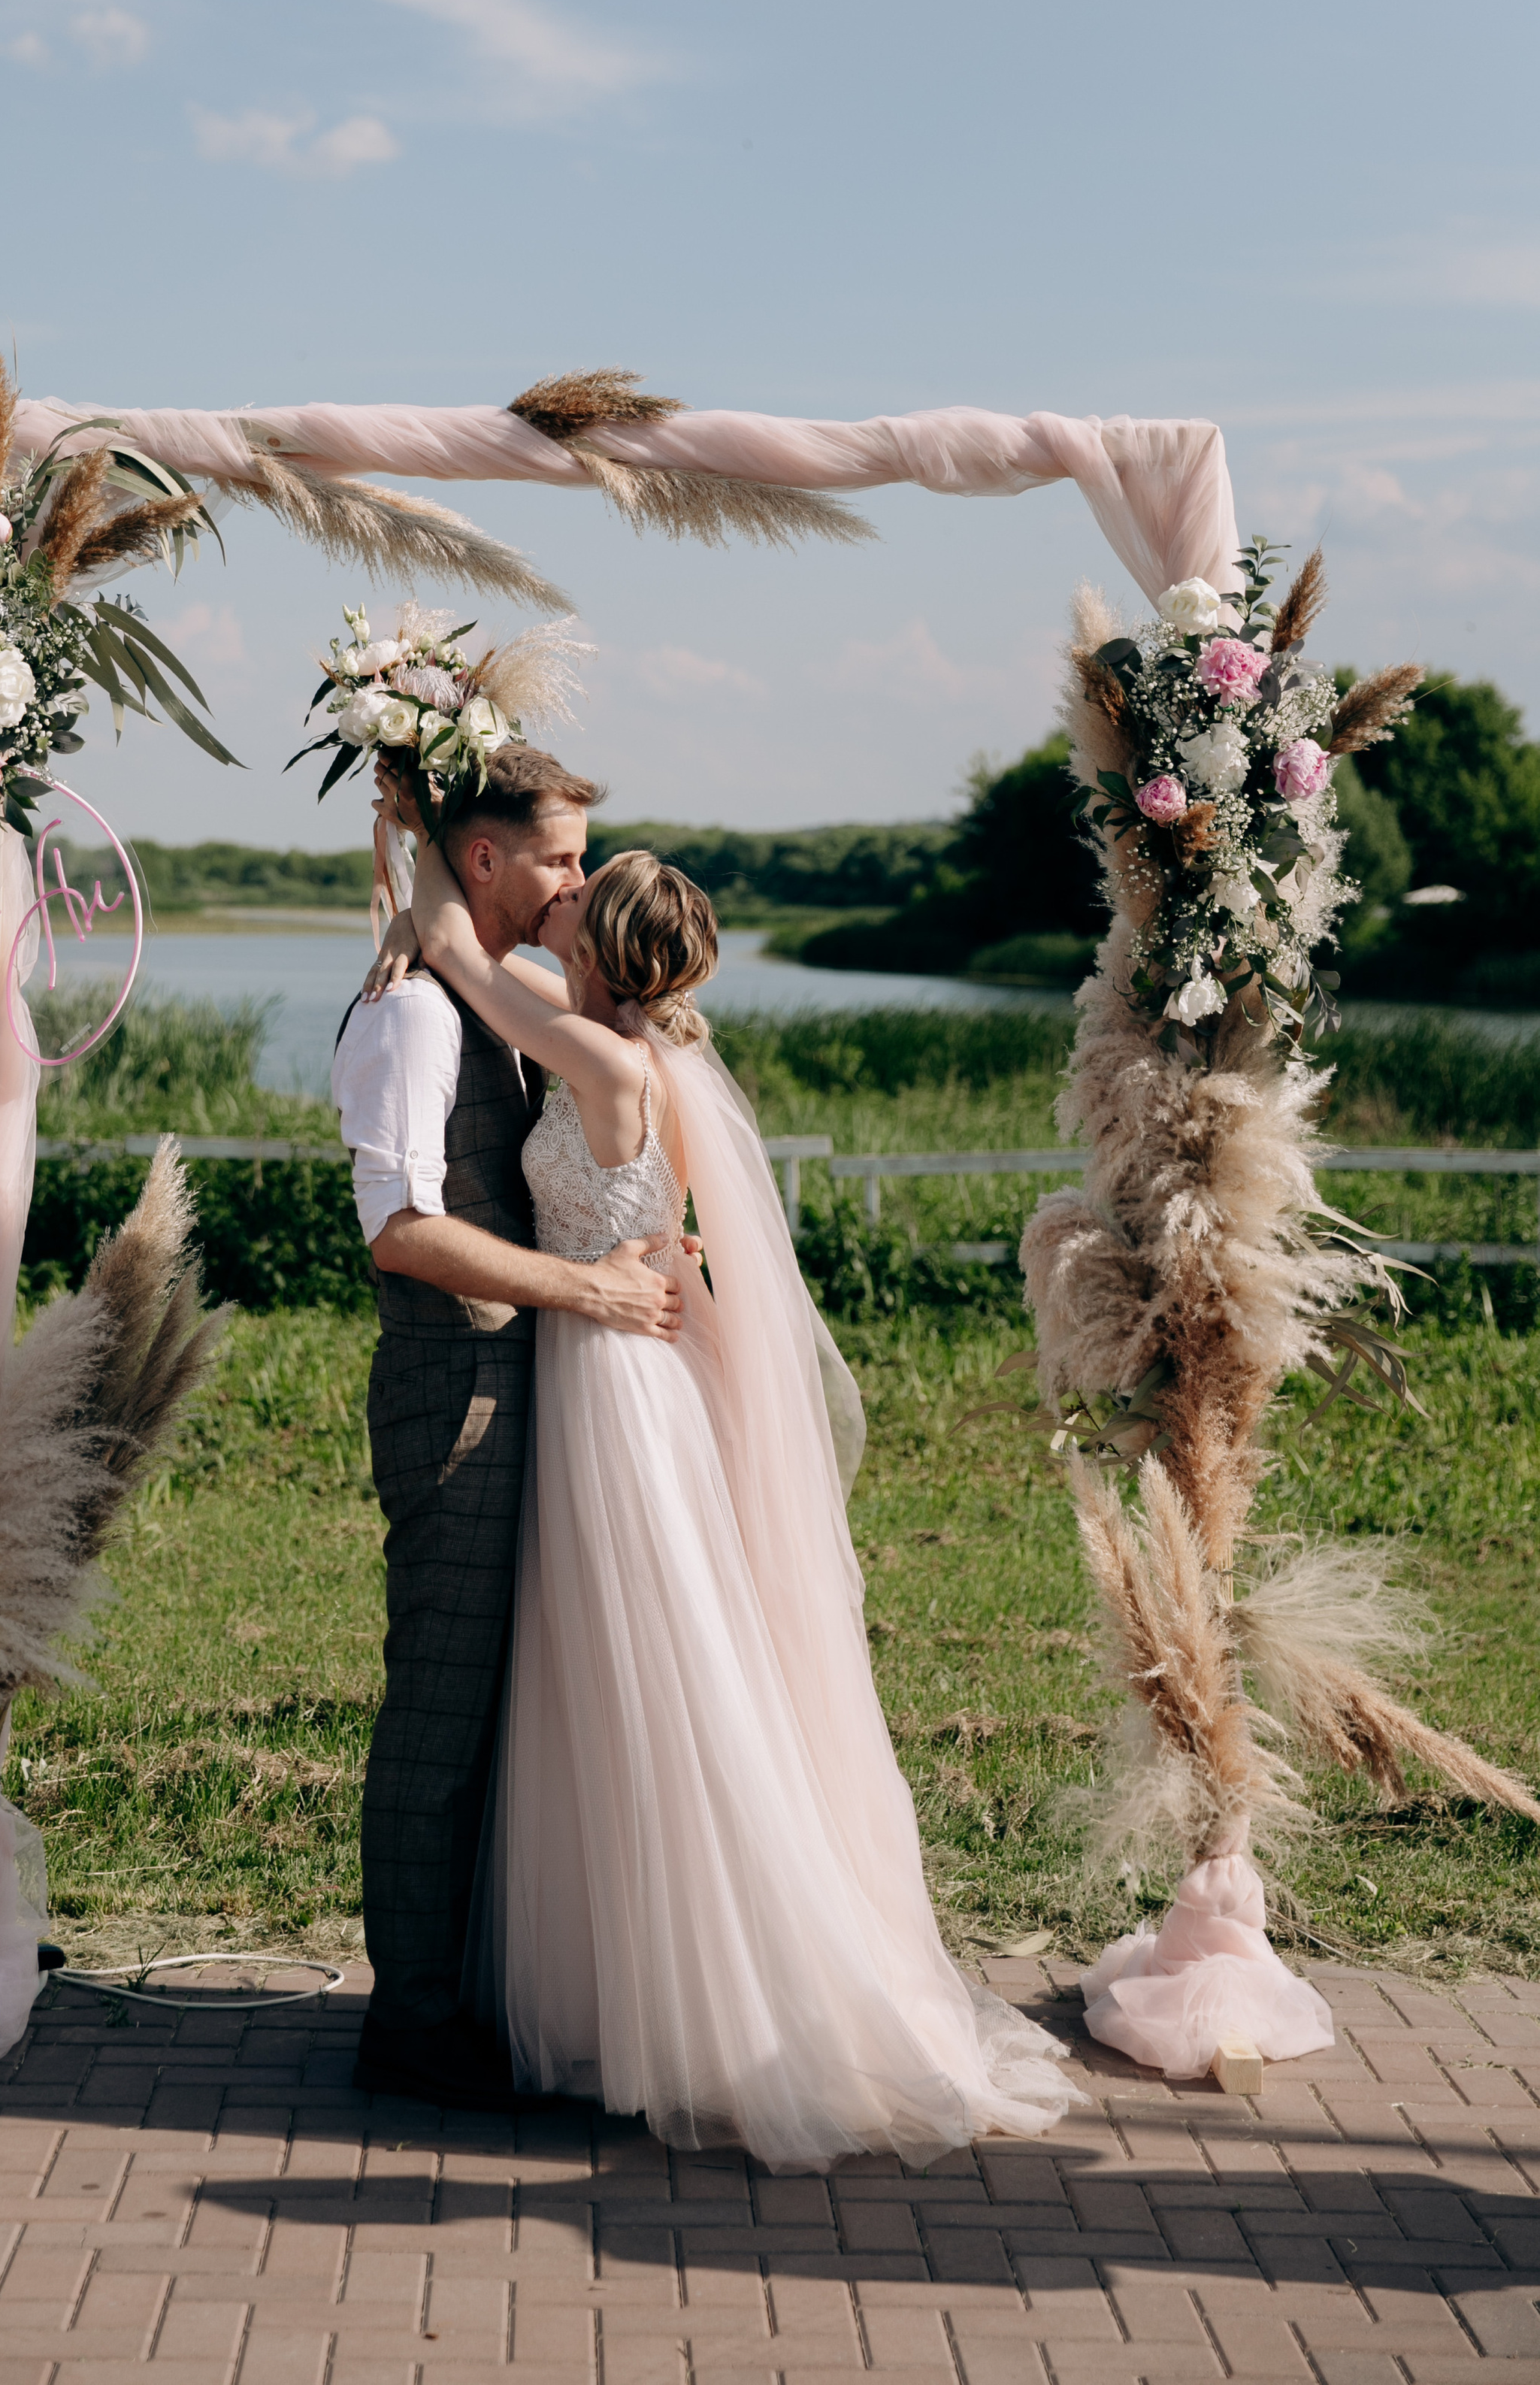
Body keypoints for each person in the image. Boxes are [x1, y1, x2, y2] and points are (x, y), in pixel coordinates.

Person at [364, 830, 1079, 2171]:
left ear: (599, 944)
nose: (561, 893)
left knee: (655, 1669)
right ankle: (619, 1994)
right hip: (607, 1365)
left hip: (611, 1389)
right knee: (602, 1677)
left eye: (580, 886)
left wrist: (416, 889)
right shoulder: (652, 1057)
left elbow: (463, 960)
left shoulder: (605, 1058)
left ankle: (707, 2002)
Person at [330, 744, 687, 2114]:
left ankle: (473, 1989)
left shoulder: (498, 997)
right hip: (453, 1402)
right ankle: (411, 2027)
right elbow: (402, 1233)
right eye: (555, 855)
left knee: (498, 1710)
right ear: (483, 860)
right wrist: (590, 1284)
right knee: (437, 1713)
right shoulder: (421, 1018)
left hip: (529, 1393)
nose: (578, 877)